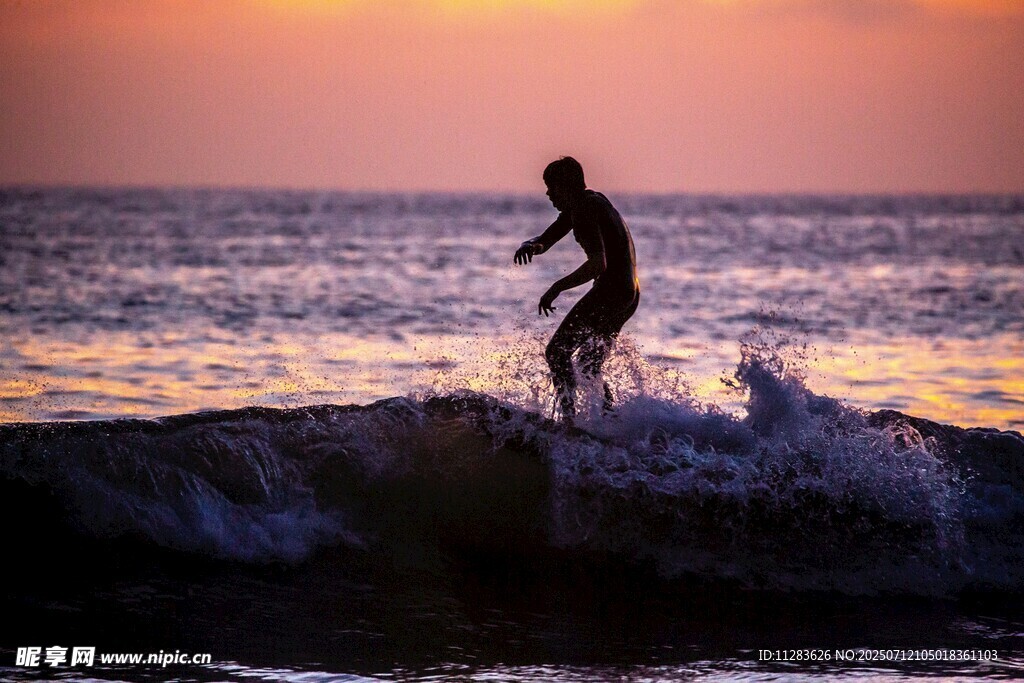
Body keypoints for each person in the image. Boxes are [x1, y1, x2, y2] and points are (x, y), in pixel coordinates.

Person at [513, 156, 639, 422]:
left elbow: (597, 264)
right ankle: (611, 421)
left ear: (566, 187)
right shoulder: (590, 201)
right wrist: (533, 245)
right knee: (589, 366)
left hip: (611, 291)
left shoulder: (583, 208)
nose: (548, 193)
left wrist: (556, 288)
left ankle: (568, 422)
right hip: (629, 293)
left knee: (556, 352)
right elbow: (550, 235)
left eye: (552, 187)